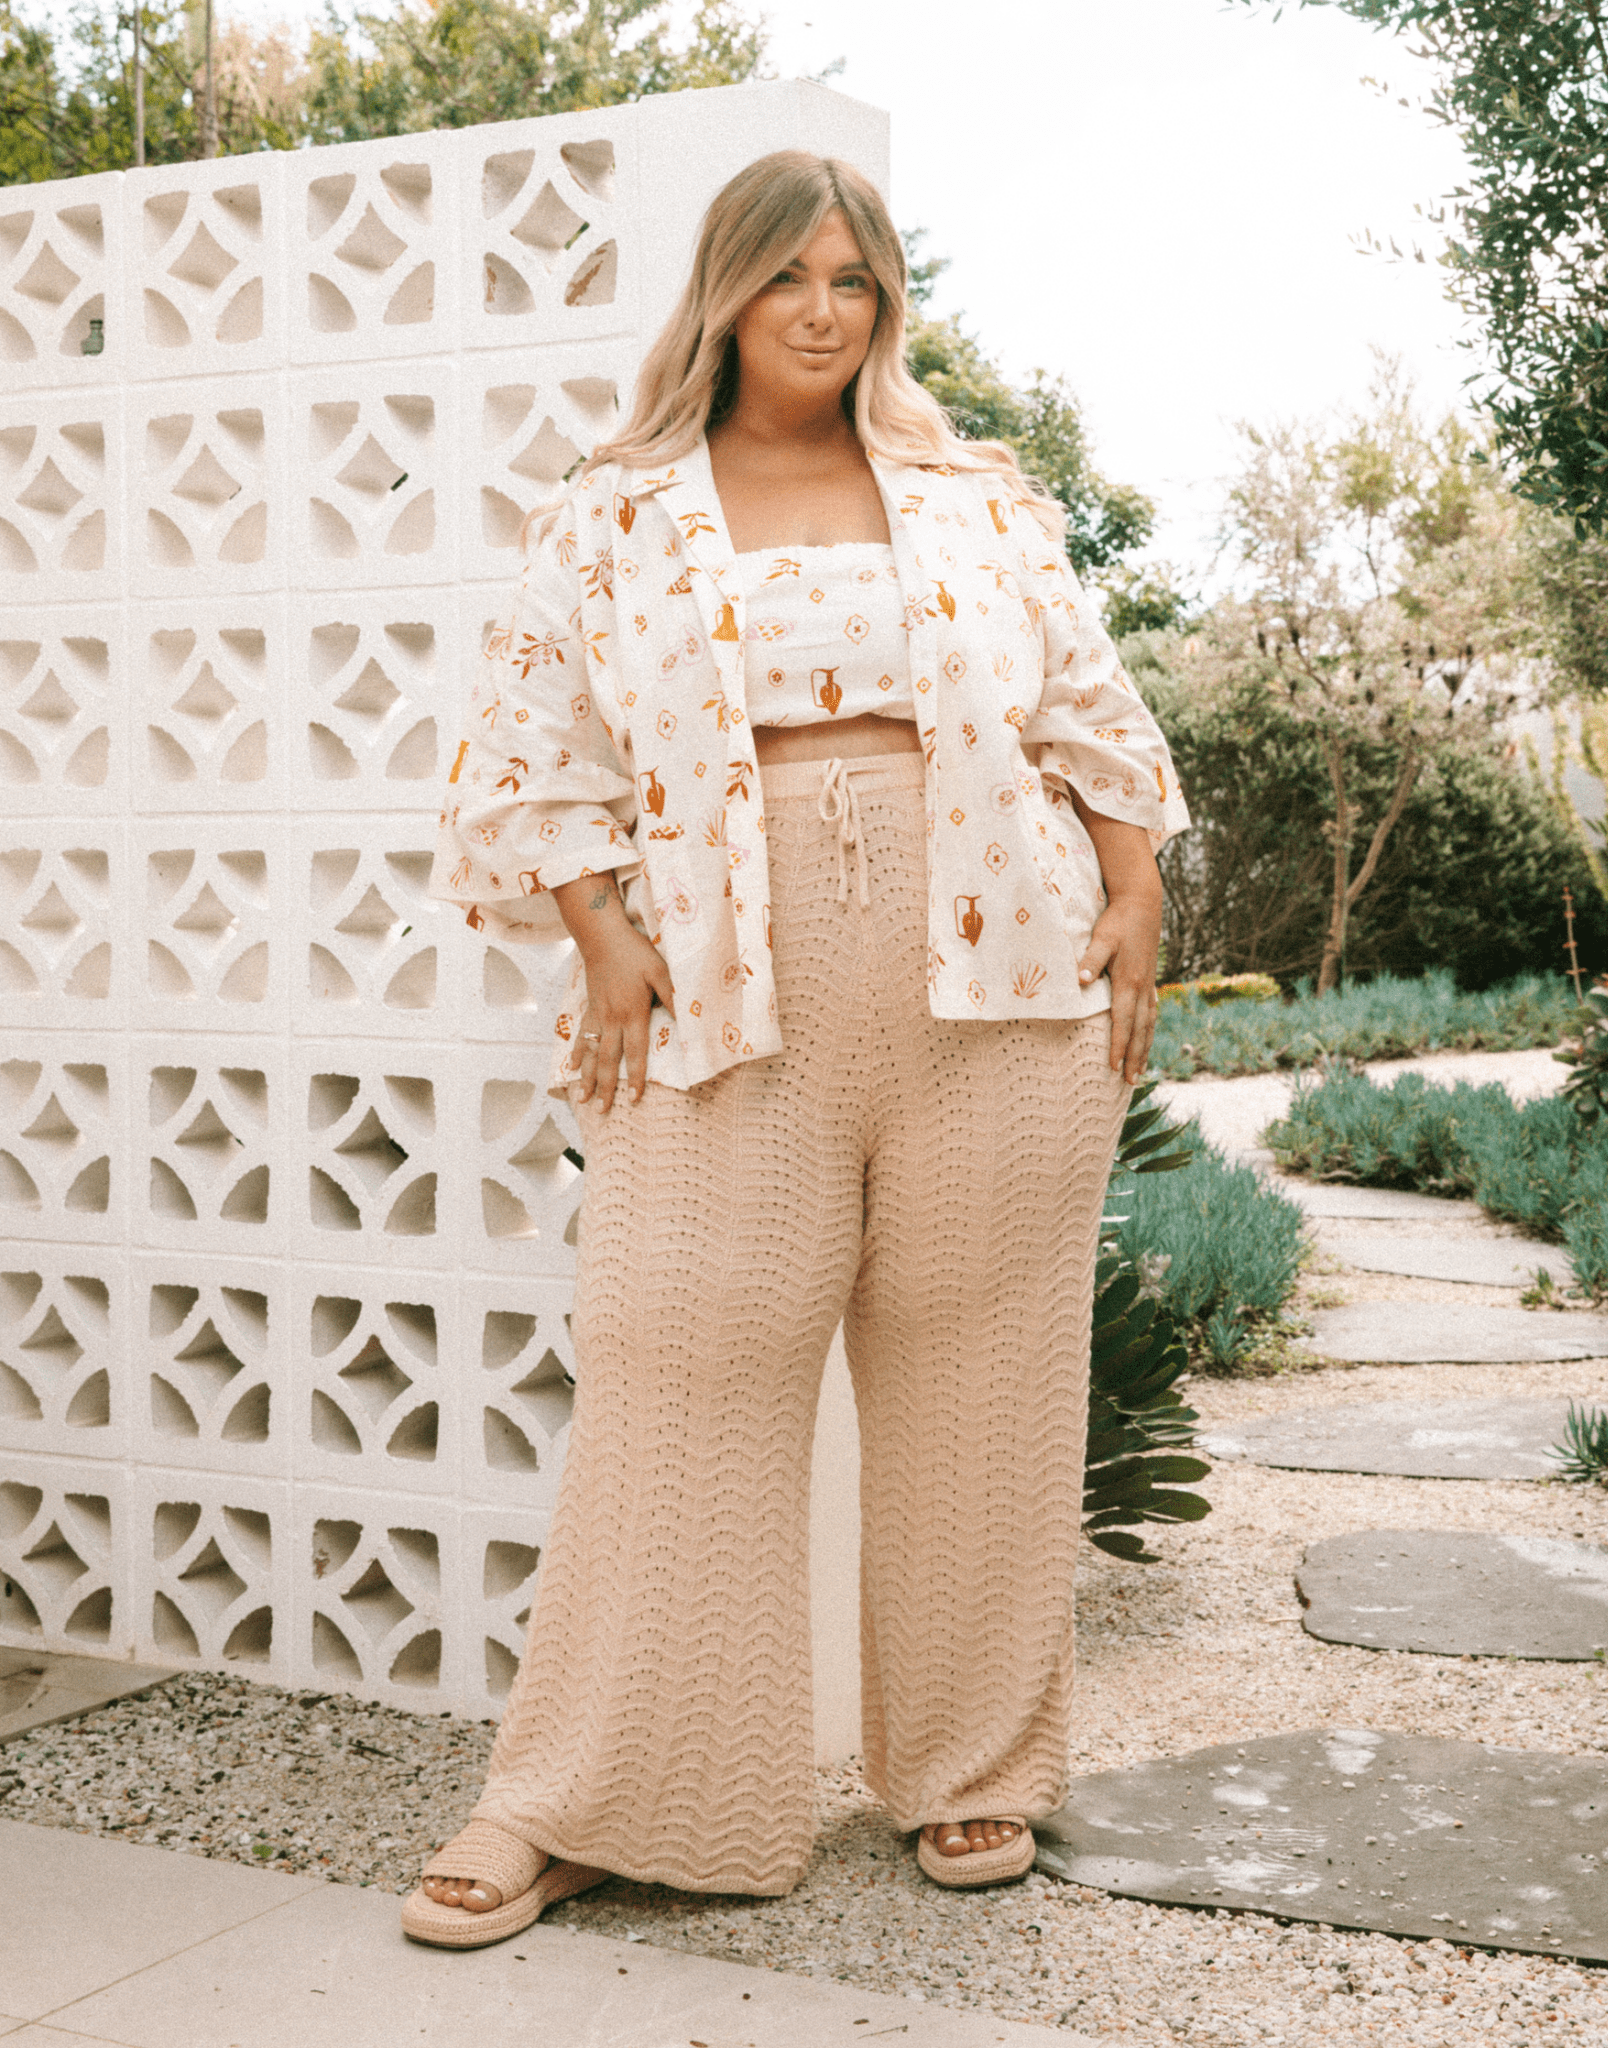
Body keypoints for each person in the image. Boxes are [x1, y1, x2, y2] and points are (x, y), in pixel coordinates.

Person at [402, 148, 1189, 1950]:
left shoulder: (974, 493)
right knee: (674, 1363)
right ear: (725, 293)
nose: (821, 312)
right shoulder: (611, 510)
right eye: (786, 277)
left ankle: (972, 1767)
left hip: (1002, 972)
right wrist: (601, 933)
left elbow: (1086, 702)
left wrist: (1137, 886)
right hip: (719, 983)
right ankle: (584, 1798)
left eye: (853, 280)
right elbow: (527, 749)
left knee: (982, 1375)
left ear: (886, 300)